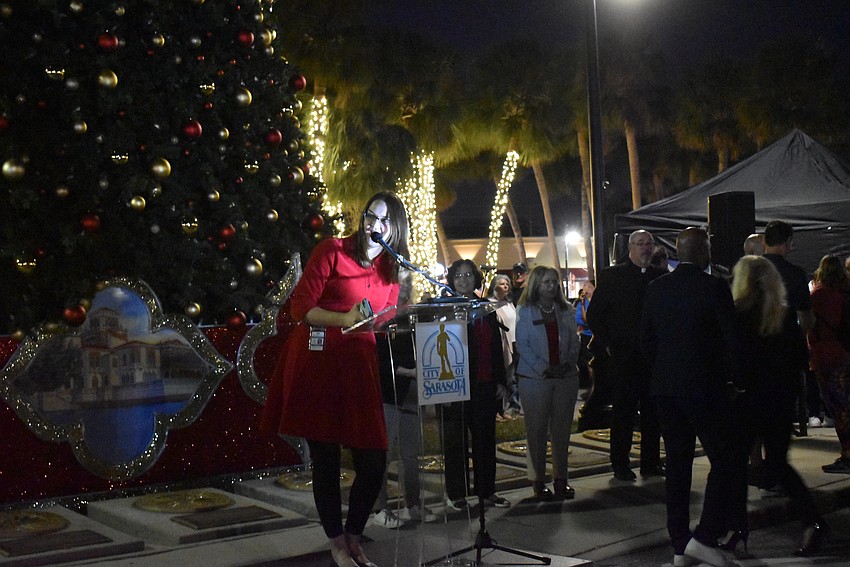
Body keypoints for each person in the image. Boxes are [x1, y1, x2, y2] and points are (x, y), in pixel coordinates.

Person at [260, 191, 409, 567]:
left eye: (383, 221)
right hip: (319, 361)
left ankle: (353, 537)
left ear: (396, 230)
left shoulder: (391, 269)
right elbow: (300, 307)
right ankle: (337, 543)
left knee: (373, 460)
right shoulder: (332, 250)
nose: (373, 225)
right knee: (325, 457)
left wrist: (396, 316)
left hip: (359, 368)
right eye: (369, 217)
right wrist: (345, 319)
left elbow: (381, 318)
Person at [641, 227, 739, 567]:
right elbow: (731, 340)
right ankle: (704, 534)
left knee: (678, 464)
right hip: (703, 386)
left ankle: (680, 541)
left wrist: (664, 370)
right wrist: (734, 378)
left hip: (666, 386)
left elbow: (647, 340)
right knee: (725, 458)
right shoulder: (714, 287)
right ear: (702, 251)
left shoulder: (656, 289)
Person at [729, 255, 827, 558]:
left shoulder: (738, 314)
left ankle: (736, 528)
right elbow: (801, 360)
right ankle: (813, 522)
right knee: (778, 463)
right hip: (780, 399)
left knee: (734, 466)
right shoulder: (783, 316)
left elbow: (732, 359)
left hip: (747, 399)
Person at [586, 229, 666, 481]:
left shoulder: (660, 278)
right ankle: (620, 462)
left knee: (653, 413)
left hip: (652, 360)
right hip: (623, 358)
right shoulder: (612, 277)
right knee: (623, 412)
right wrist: (607, 344)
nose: (645, 248)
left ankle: (650, 462)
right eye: (640, 243)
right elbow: (595, 315)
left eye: (648, 244)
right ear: (630, 248)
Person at [439, 259, 510, 510]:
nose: (464, 279)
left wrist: (500, 381)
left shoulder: (486, 309)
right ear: (451, 279)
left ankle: (486, 491)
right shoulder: (443, 308)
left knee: (485, 441)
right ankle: (457, 495)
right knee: (456, 443)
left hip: (484, 383)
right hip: (455, 385)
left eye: (469, 275)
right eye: (458, 275)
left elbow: (496, 346)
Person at [515, 266, 581, 500]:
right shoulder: (525, 310)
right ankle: (538, 481)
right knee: (537, 430)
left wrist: (568, 363)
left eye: (554, 282)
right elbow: (522, 345)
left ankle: (561, 479)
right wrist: (544, 368)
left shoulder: (566, 310)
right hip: (536, 380)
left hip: (565, 378)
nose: (552, 286)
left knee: (562, 432)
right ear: (536, 285)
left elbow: (575, 341)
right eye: (546, 282)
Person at [809, 255, 850, 475]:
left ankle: (847, 454)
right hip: (844, 355)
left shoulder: (818, 295)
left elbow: (808, 325)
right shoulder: (844, 295)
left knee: (838, 407)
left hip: (825, 356)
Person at [487, 273, 521, 420]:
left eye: (507, 284)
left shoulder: (509, 304)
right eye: (502, 284)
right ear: (494, 286)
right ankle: (498, 409)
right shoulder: (490, 304)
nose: (505, 286)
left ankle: (512, 406)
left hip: (514, 343)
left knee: (512, 377)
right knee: (502, 378)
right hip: (501, 345)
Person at [574, 281, 595, 393]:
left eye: (585, 287)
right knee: (588, 361)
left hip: (595, 334)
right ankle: (590, 385)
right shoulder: (582, 303)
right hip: (586, 335)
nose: (584, 290)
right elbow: (579, 319)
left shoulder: (596, 301)